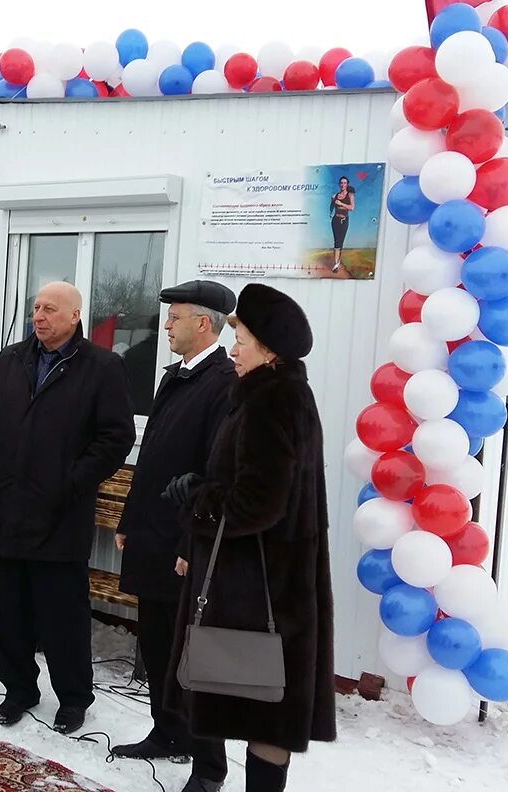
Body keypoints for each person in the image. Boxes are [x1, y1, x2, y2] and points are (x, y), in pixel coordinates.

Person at [165, 284, 335, 792]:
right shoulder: (276, 394)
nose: (233, 348)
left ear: (271, 350)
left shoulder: (271, 400)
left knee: (264, 716)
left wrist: (198, 496)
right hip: (276, 585)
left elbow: (257, 504)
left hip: (259, 590)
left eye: (242, 339)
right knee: (266, 717)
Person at [0, 281, 135, 735]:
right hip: (9, 510)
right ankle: (18, 689)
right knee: (11, 614)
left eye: (50, 309)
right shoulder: (11, 360)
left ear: (75, 316)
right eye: (35, 307)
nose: (38, 316)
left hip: (61, 516)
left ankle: (75, 698)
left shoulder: (102, 367)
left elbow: (116, 437)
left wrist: (71, 480)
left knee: (63, 618)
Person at [112, 281, 237, 790]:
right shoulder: (175, 377)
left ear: (203, 323)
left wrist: (193, 546)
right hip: (152, 535)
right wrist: (128, 518)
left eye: (174, 318)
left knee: (194, 656)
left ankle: (208, 764)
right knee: (158, 644)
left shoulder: (223, 383)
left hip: (185, 547)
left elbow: (214, 473)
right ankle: (168, 733)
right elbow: (153, 460)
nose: (166, 326)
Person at [330, 177, 355, 273]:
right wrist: (330, 212)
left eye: (344, 183)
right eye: (341, 183)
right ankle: (336, 264)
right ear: (339, 184)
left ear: (347, 184)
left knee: (341, 241)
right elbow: (332, 205)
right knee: (336, 242)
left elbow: (352, 207)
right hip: (335, 220)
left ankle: (338, 261)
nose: (343, 185)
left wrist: (341, 203)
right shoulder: (334, 196)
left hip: (344, 220)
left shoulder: (350, 195)